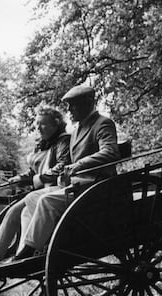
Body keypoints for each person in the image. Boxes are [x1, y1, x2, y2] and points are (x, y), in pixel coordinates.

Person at [14, 84, 120, 260]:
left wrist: (79, 165)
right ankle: (42, 242)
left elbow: (110, 152)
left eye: (73, 104)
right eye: (68, 105)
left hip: (97, 185)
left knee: (47, 201)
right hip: (77, 185)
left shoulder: (103, 123)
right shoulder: (77, 128)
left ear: (88, 103)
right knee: (32, 198)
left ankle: (29, 250)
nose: (69, 109)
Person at [0, 107, 70, 260]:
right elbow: (33, 171)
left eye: (43, 124)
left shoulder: (63, 141)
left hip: (54, 190)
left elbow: (62, 167)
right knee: (12, 212)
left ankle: (21, 255)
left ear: (56, 124)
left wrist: (37, 179)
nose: (38, 128)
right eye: (37, 124)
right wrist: (20, 178)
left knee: (21, 211)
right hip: (43, 190)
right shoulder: (42, 143)